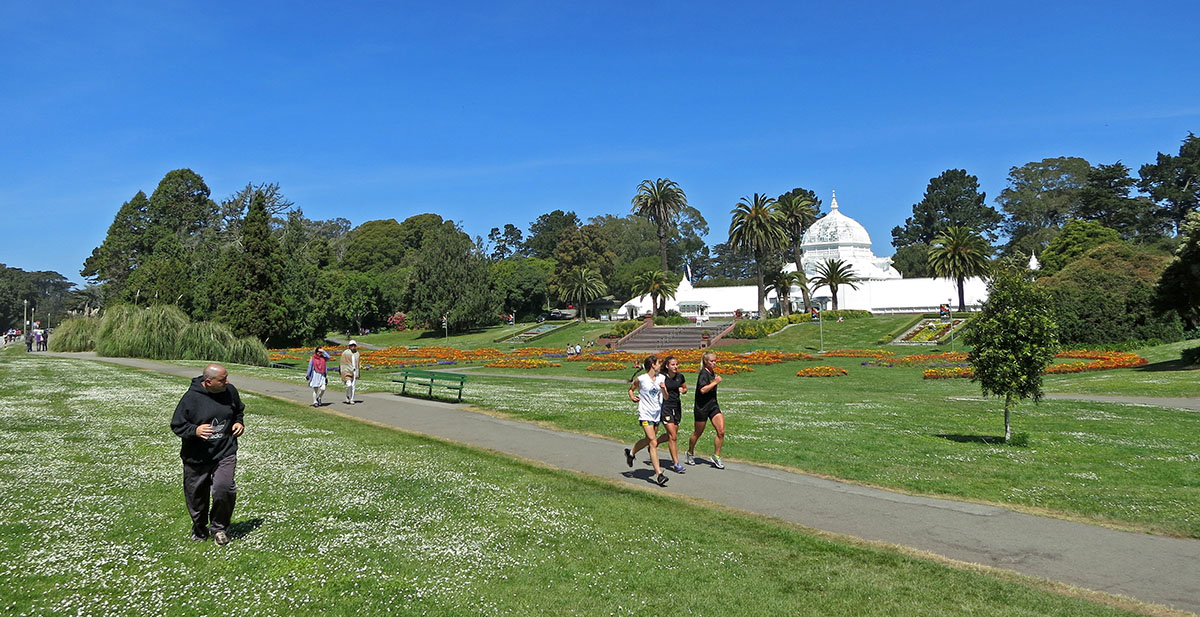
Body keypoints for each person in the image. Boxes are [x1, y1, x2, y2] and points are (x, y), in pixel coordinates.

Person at [170, 363, 245, 545]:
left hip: (224, 451)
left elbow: (238, 411)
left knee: (224, 488)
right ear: (208, 382)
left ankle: (219, 528)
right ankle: (200, 528)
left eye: (227, 377)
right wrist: (195, 430)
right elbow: (177, 425)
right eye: (222, 380)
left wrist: (238, 423)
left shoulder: (230, 391)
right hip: (197, 456)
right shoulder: (191, 398)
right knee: (196, 496)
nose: (227, 382)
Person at [624, 355, 669, 486]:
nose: (660, 365)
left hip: (656, 413)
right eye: (658, 363)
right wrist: (632, 396)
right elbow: (631, 389)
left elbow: (665, 397)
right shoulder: (641, 379)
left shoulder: (662, 378)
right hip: (645, 413)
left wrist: (664, 389)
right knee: (653, 442)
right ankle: (659, 474)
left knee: (648, 440)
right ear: (652, 365)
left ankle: (631, 453)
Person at [687, 351, 726, 469]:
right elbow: (703, 390)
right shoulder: (703, 374)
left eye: (715, 361)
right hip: (701, 407)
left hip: (713, 406)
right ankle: (690, 452)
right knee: (698, 433)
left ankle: (716, 456)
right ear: (705, 362)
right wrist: (715, 382)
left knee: (721, 431)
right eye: (712, 361)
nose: (714, 363)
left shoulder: (712, 372)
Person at [655, 356, 688, 473]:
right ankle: (676, 464)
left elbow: (685, 388)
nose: (675, 367)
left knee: (671, 435)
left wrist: (683, 391)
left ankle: (655, 443)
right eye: (673, 365)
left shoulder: (680, 377)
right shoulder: (662, 377)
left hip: (677, 407)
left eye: (676, 364)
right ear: (667, 366)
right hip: (666, 407)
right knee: (673, 436)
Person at [340, 340, 361, 405]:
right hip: (347, 371)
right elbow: (342, 362)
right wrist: (342, 370)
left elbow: (358, 364)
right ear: (349, 346)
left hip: (354, 371)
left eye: (354, 345)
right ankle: (347, 395)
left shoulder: (357, 354)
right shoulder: (345, 353)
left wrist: (358, 372)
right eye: (351, 345)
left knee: (353, 386)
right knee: (349, 385)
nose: (353, 347)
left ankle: (351, 399)